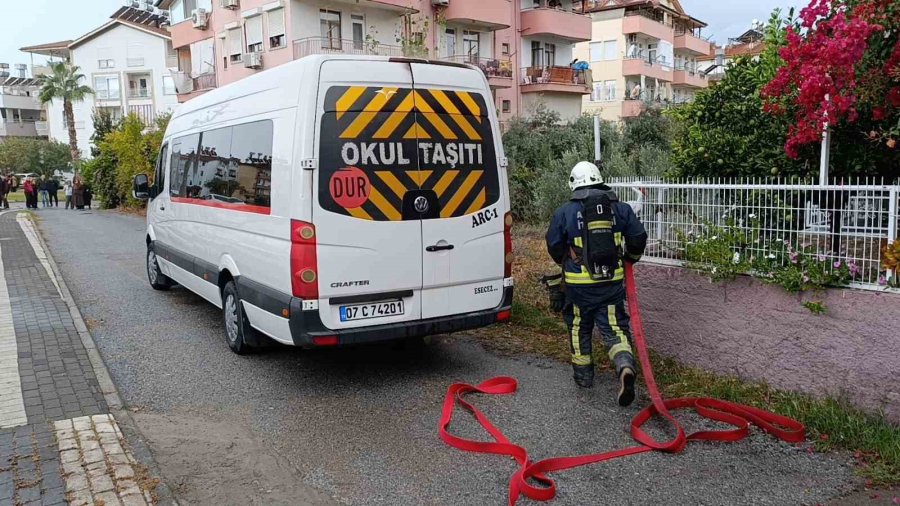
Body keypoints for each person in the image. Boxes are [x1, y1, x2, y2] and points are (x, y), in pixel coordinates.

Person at [544, 161, 647, 406]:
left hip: (578, 287)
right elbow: (638, 238)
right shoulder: (620, 209)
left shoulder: (565, 212)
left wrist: (568, 260)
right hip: (611, 284)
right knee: (614, 328)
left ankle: (584, 377)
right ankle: (624, 366)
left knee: (579, 327)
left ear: (574, 183)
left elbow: (554, 244)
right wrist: (630, 258)